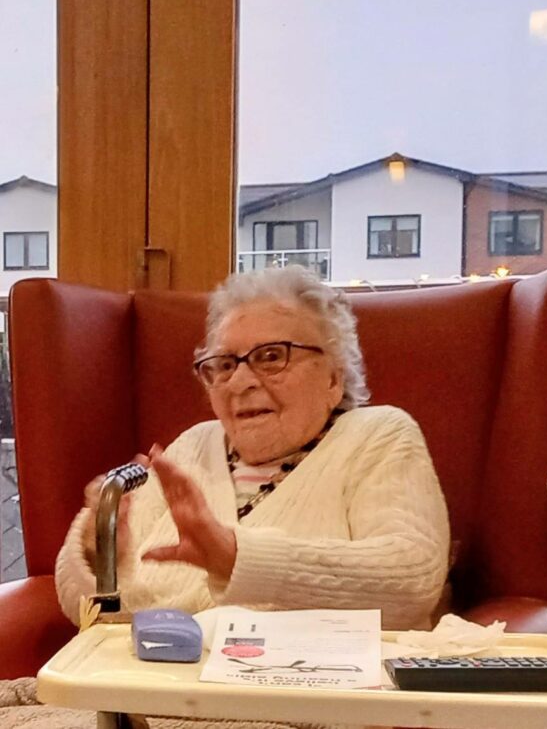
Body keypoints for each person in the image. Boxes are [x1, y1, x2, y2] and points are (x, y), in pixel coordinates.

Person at [55, 266, 451, 632]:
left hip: (309, 701)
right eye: (224, 364)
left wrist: (235, 558)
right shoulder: (191, 447)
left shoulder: (377, 436)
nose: (240, 381)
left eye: (272, 356)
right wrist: (100, 553)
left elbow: (410, 583)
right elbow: (97, 622)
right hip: (157, 689)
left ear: (333, 378)